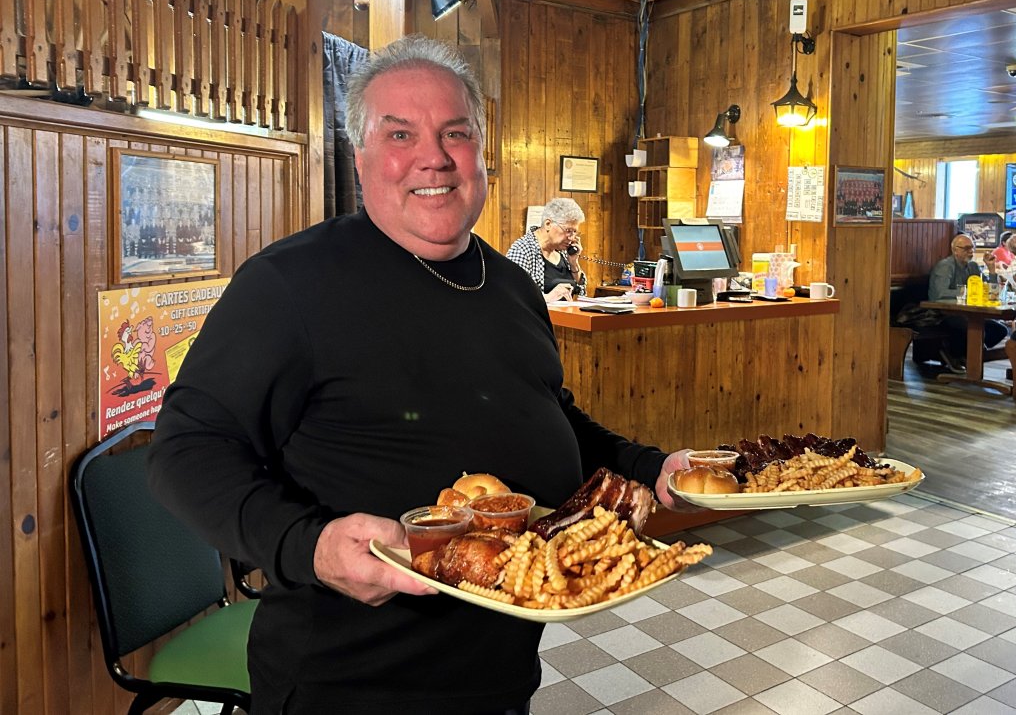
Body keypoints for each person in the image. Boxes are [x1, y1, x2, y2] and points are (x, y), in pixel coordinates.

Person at [145, 35, 693, 715]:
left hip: (499, 676)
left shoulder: (511, 285)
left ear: (481, 152)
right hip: (348, 685)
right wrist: (308, 545)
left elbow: (550, 413)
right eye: (400, 133)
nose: (434, 157)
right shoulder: (291, 284)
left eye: (455, 133)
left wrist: (650, 464)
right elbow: (185, 448)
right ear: (361, 158)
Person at [928, 234, 1008, 371]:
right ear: (955, 250)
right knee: (973, 328)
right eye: (966, 248)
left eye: (972, 248)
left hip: (969, 313)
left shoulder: (973, 267)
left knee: (999, 330)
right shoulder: (945, 266)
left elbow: (991, 294)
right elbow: (939, 294)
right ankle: (958, 355)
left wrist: (992, 269)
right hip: (944, 313)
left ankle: (967, 356)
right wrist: (968, 293)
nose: (971, 252)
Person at [506, 198, 587, 303]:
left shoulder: (562, 251)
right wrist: (548, 298)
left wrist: (573, 263)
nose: (571, 238)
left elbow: (580, 291)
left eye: (575, 232)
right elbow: (512, 296)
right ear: (548, 224)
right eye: (568, 231)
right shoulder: (522, 250)